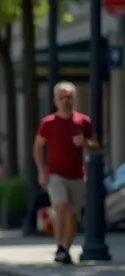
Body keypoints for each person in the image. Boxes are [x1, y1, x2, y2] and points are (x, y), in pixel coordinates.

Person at [33, 82, 97, 265]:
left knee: (73, 215)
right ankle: (59, 246)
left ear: (74, 99)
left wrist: (84, 142)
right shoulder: (48, 123)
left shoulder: (83, 121)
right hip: (55, 174)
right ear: (55, 101)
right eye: (62, 97)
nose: (65, 100)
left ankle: (66, 250)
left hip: (77, 174)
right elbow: (38, 146)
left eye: (69, 96)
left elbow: (96, 145)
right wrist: (41, 170)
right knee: (60, 207)